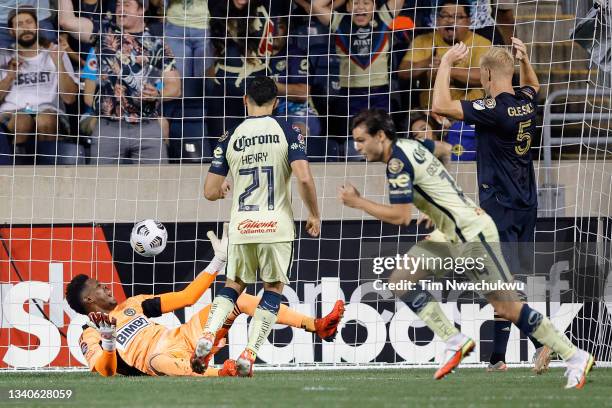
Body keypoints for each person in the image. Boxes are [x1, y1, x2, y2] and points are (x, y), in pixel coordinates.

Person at [337, 106, 594, 389]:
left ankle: (574, 356)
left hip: (472, 235)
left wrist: (358, 202)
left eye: (361, 140)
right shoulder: (412, 143)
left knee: (507, 308)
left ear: (381, 136)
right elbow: (445, 149)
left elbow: (401, 217)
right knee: (401, 279)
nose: (357, 146)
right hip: (450, 233)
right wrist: (438, 196)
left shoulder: (397, 163)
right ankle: (455, 340)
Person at [67, 224, 344, 377]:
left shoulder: (134, 304)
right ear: (89, 299)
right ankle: (219, 373)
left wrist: (217, 262)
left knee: (236, 299)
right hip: (160, 358)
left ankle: (316, 325)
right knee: (159, 361)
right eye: (98, 286)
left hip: (185, 336)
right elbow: (105, 371)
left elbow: (188, 297)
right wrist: (108, 341)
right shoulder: (90, 333)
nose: (105, 286)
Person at [431, 38, 552, 372]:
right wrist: (526, 59)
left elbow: (441, 104)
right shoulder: (525, 102)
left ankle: (544, 342)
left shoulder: (494, 109)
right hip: (526, 203)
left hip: (498, 205)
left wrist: (445, 64)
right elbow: (533, 84)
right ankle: (497, 359)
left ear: (486, 74)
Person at [193, 76, 321, 377]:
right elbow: (303, 177)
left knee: (233, 286)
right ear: (276, 103)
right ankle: (249, 355)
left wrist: (224, 187)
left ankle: (209, 334)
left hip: (242, 225)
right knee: (273, 289)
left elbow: (209, 191)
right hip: (276, 226)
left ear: (244, 100)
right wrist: (314, 213)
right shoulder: (287, 130)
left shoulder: (231, 135)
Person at [59, 0, 182, 164]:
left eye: (127, 4)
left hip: (147, 127)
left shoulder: (158, 45)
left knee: (157, 185)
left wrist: (158, 94)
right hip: (108, 128)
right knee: (101, 186)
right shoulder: (103, 33)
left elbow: (175, 88)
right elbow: (66, 21)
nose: (120, 9)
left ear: (141, 10)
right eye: (117, 5)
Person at [306, 0, 405, 157]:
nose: (360, 7)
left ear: (374, 6)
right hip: (350, 94)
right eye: (355, 3)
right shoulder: (339, 21)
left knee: (384, 140)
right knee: (355, 143)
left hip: (380, 93)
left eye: (366, 3)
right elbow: (316, 4)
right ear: (347, 6)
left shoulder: (384, 17)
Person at [0, 7, 80, 165]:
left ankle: (47, 180)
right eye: (19, 24)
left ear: (37, 26)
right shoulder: (4, 59)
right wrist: (9, 77)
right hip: (10, 115)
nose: (25, 27)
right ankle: (17, 179)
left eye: (29, 22)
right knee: (21, 120)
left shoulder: (55, 54)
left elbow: (70, 98)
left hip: (50, 114)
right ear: (11, 32)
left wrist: (58, 63)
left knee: (46, 119)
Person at [398, 0, 491, 109]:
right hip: (431, 113)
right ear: (437, 20)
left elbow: (483, 76)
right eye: (445, 16)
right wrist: (428, 62)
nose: (450, 20)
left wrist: (445, 69)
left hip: (469, 112)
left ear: (469, 21)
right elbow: (402, 72)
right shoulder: (423, 41)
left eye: (458, 17)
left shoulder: (482, 43)